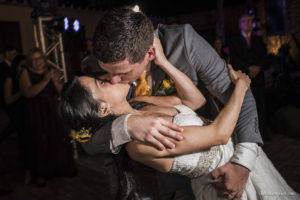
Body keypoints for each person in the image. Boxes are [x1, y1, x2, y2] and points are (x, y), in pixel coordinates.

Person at [58, 40, 299, 199]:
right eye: (102, 83)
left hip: (245, 162)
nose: (111, 78)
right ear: (103, 110)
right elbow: (218, 134)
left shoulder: (141, 102)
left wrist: (163, 61)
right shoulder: (139, 145)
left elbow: (194, 102)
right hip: (226, 183)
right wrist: (241, 88)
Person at [83, 7, 263, 199]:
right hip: (135, 179)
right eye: (107, 74)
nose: (112, 80)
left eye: (122, 73)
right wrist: (124, 127)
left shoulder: (184, 42)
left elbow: (237, 95)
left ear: (150, 53)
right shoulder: (93, 67)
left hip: (201, 164)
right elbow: (83, 134)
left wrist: (243, 163)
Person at [19, 47, 76, 186]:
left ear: (44, 60)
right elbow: (28, 93)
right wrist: (45, 81)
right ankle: (40, 174)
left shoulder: (50, 70)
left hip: (52, 110)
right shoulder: (25, 73)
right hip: (35, 112)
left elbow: (62, 91)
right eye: (34, 59)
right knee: (38, 144)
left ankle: (56, 170)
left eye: (39, 58)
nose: (37, 62)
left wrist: (55, 80)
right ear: (29, 61)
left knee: (55, 139)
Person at [228, 13, 269, 140]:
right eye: (244, 21)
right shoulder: (233, 40)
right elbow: (234, 58)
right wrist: (248, 68)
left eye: (249, 21)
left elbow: (265, 57)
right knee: (246, 108)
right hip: (244, 79)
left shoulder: (258, 40)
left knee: (261, 106)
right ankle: (249, 135)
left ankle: (263, 133)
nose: (247, 23)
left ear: (252, 23)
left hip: (258, 79)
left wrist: (259, 68)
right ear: (240, 25)